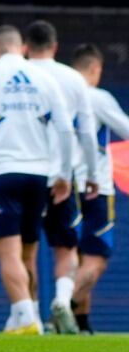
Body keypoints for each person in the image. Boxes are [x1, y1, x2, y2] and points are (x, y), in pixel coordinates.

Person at [0, 25, 74, 335]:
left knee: (8, 253)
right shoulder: (46, 78)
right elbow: (65, 128)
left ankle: (26, 316)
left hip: (1, 172)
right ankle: (25, 312)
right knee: (28, 253)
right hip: (40, 175)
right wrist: (63, 173)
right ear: (22, 47)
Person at [23, 20, 99, 334]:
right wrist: (92, 173)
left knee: (25, 250)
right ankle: (62, 299)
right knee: (66, 248)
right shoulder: (72, 79)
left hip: (27, 172)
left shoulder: (18, 76)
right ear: (54, 46)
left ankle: (28, 317)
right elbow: (86, 132)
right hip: (63, 178)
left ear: (25, 46)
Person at [69, 44, 127, 333]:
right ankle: (64, 305)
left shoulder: (61, 92)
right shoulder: (97, 97)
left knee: (72, 257)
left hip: (63, 185)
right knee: (96, 260)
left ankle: (80, 323)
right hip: (96, 188)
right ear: (96, 69)